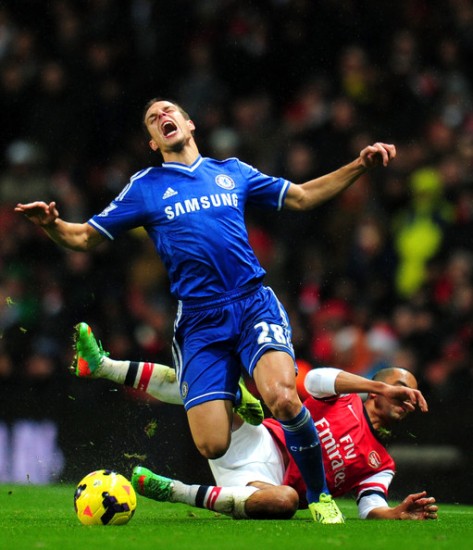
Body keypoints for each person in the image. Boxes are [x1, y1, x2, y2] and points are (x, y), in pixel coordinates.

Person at [15, 98, 396, 523]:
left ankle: (321, 497)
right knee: (212, 443)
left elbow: (303, 196)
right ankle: (234, 393)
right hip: (200, 320)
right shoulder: (146, 186)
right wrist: (52, 225)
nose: (162, 117)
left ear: (189, 123)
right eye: (153, 119)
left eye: (169, 111)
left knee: (284, 399)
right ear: (153, 141)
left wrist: (359, 165)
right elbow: (85, 237)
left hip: (252, 303)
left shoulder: (232, 171)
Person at [71, 322, 437, 521]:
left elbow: (370, 505)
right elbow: (313, 380)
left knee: (286, 502)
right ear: (378, 391)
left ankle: (175, 491)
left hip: (263, 485)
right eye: (400, 388)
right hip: (258, 439)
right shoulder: (346, 397)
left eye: (412, 393)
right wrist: (374, 383)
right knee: (211, 388)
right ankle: (103, 366)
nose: (406, 398)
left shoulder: (382, 464)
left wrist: (395, 514)